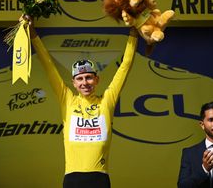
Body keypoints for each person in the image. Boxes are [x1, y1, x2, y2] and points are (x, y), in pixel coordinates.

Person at [23, 15, 138, 188]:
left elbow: (125, 65)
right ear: (74, 83)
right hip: (72, 179)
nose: (85, 82)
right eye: (80, 79)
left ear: (97, 80)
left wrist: (134, 31)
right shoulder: (67, 100)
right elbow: (48, 64)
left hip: (100, 178)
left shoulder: (107, 101)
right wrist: (32, 33)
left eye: (89, 78)